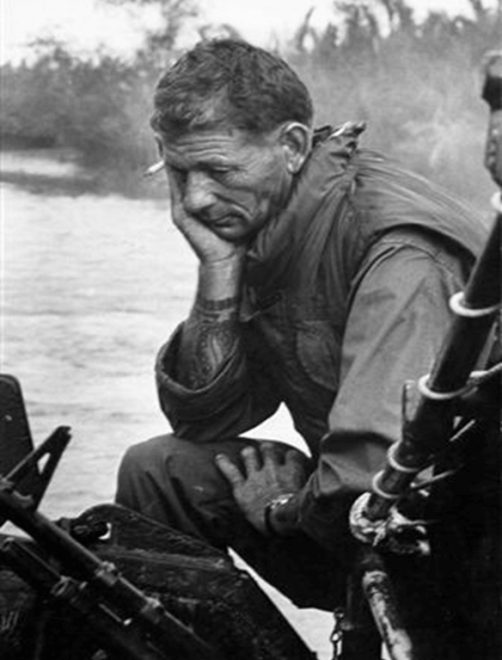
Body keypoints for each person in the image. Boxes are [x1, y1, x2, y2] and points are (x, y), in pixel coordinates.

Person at [115, 38, 486, 611]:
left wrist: (282, 508)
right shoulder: (275, 220)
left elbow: (377, 482)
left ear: (290, 145)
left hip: (459, 540)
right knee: (159, 471)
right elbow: (202, 419)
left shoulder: (400, 256)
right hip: (372, 515)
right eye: (179, 171)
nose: (195, 199)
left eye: (216, 169)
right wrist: (218, 267)